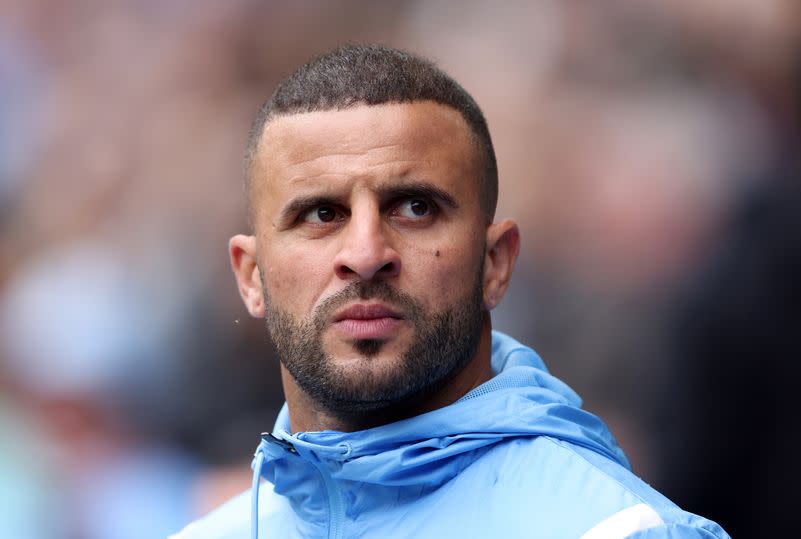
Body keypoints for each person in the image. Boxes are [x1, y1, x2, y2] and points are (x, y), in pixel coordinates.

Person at [170, 44, 729, 539]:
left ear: (495, 263)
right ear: (250, 276)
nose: (366, 254)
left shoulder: (618, 531)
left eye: (415, 208)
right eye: (322, 213)